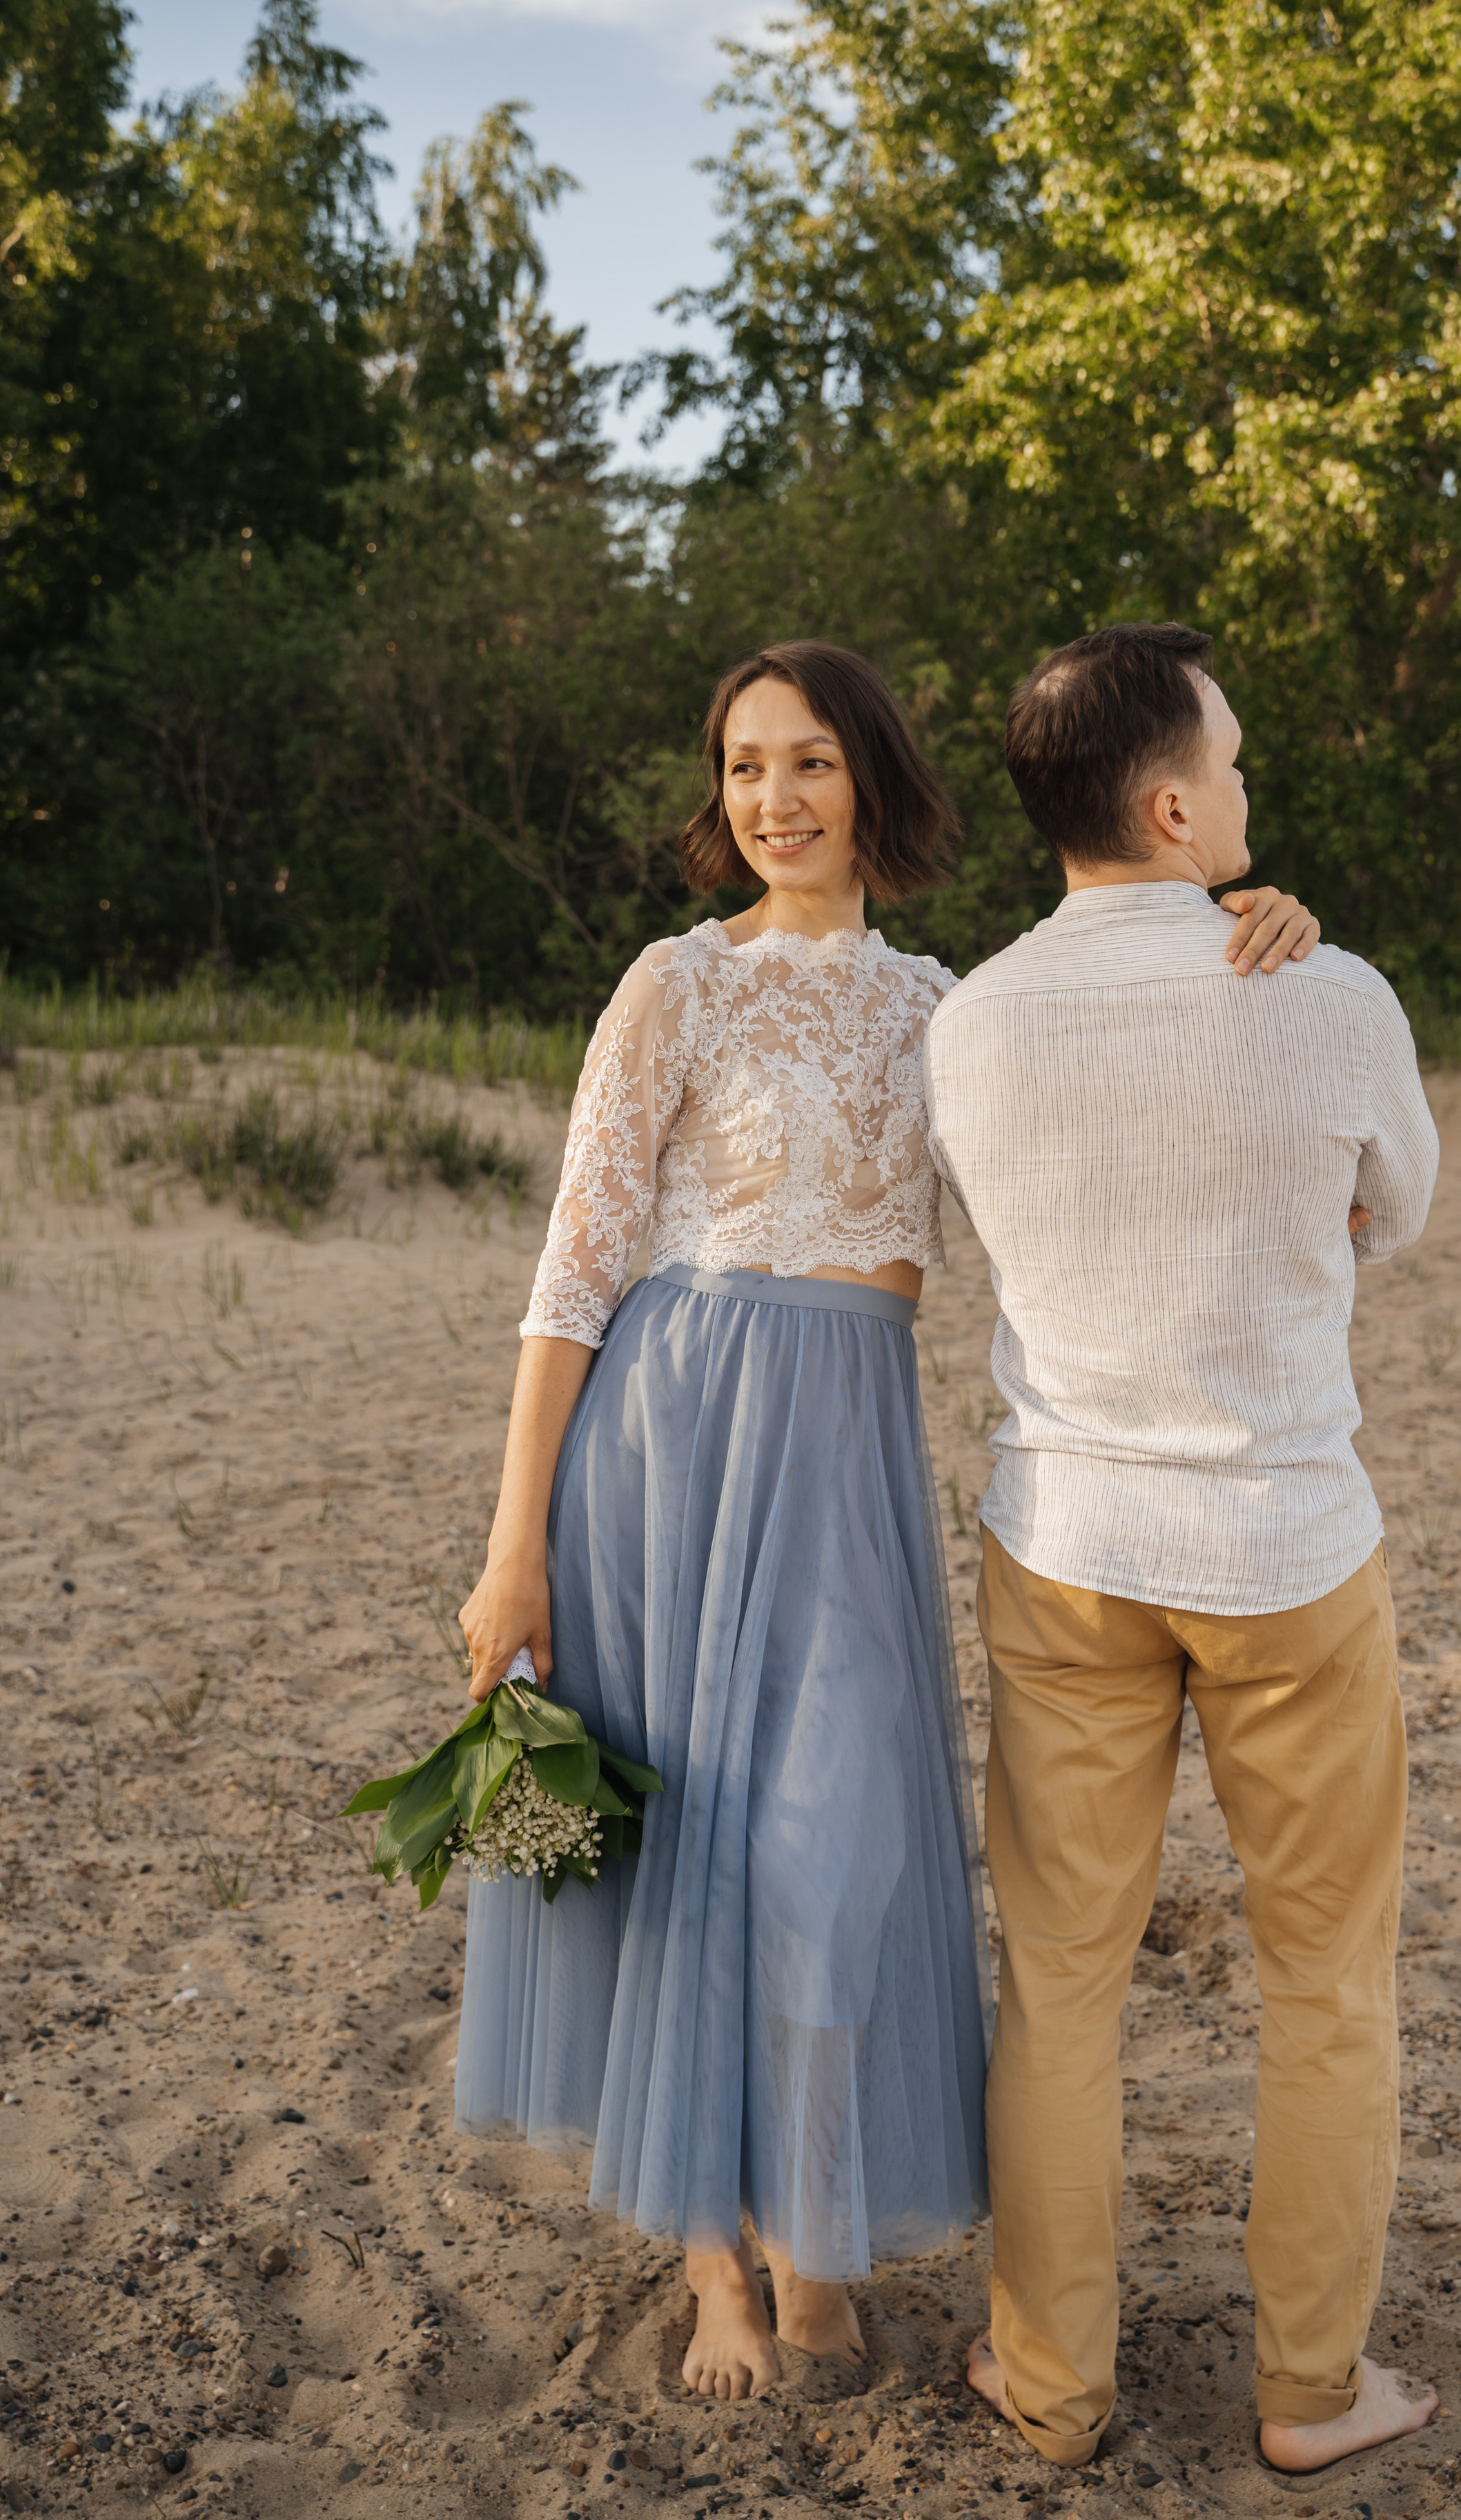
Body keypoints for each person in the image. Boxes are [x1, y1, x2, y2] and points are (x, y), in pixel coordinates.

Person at [449, 636, 1324, 2405]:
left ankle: (819, 2232)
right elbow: (574, 1269)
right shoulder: (672, 989)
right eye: (745, 767)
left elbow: (1089, 1153)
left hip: (846, 1444)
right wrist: (511, 1543)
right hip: (664, 1445)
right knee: (687, 1847)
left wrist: (1254, 936)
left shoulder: (953, 1006)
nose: (772, 800)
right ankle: (727, 2271)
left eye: (810, 764)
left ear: (873, 781)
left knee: (828, 1855)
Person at [923, 622, 1441, 2481]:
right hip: (1287, 1546)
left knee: (1059, 1983)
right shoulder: (1332, 994)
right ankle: (1313, 2392)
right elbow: (1396, 1211)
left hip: (1063, 1540)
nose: (1245, 793)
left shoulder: (968, 1020)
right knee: (1328, 1985)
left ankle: (1050, 2380)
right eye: (1228, 767)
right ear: (1165, 801)